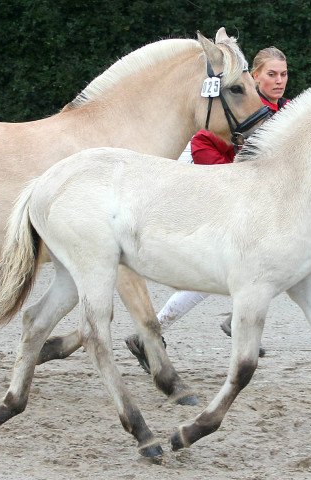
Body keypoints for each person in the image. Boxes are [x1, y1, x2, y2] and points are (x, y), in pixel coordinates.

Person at [126, 47, 289, 365]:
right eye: (271, 74)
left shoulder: (283, 110)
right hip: (205, 187)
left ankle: (231, 321)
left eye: (284, 74)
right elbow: (203, 142)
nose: (279, 80)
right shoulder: (239, 107)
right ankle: (156, 332)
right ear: (253, 77)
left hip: (242, 197)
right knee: (224, 270)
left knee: (278, 265)